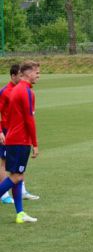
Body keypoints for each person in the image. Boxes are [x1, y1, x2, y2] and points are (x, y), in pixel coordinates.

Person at [0, 61, 41, 224]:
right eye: (36, 72)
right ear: (27, 73)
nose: (38, 75)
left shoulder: (18, 90)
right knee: (16, 177)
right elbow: (29, 119)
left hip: (14, 138)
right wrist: (35, 143)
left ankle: (20, 213)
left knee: (18, 176)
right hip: (20, 140)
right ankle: (20, 213)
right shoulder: (26, 91)